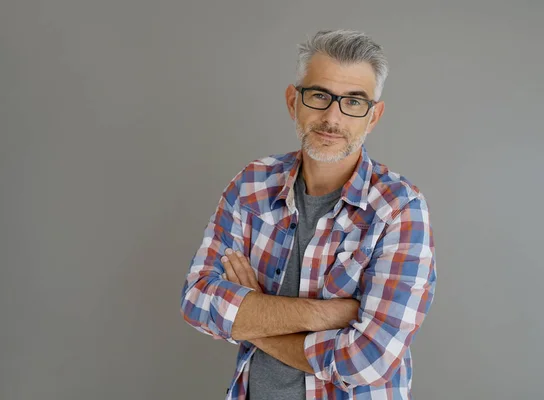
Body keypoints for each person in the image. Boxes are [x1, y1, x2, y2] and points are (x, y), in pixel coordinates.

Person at [180, 29, 437, 400]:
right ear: (292, 101)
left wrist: (252, 317)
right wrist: (326, 315)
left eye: (353, 101)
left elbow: (367, 361)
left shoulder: (399, 209)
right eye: (319, 96)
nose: (333, 117)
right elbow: (197, 300)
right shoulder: (253, 185)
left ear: (373, 116)